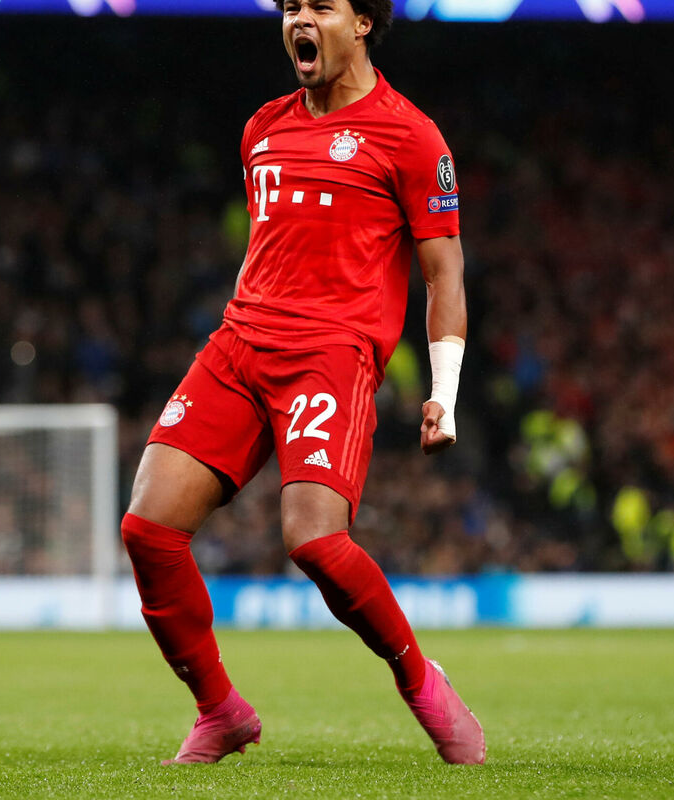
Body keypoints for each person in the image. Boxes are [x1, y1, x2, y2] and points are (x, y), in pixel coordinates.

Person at [120, 0, 485, 766]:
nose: (300, 20)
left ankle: (422, 682)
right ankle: (220, 710)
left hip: (330, 354)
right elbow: (273, 243)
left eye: (321, 5)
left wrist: (443, 393)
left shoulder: (412, 137)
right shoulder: (262, 127)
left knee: (315, 540)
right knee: (148, 529)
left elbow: (444, 273)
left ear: (362, 23)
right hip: (240, 345)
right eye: (291, 6)